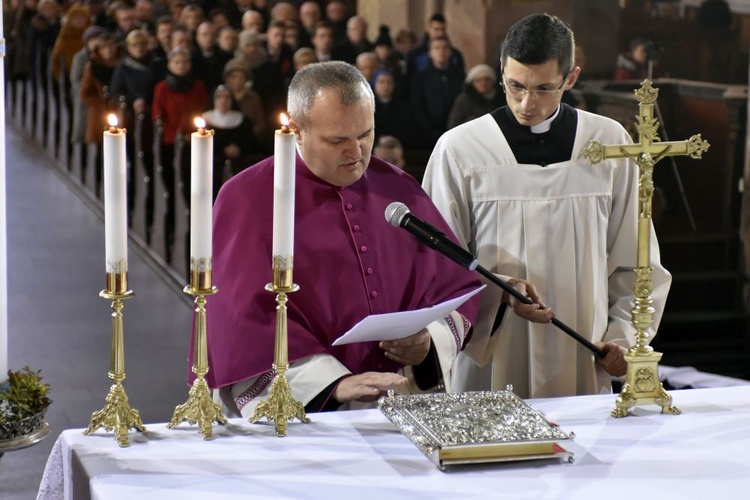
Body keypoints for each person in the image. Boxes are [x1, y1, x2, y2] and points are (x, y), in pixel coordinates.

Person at [201, 61, 481, 417]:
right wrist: (330, 384)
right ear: (296, 130)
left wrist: (427, 343)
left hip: (398, 408)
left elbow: (455, 287)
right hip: (305, 417)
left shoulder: (397, 188)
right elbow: (239, 320)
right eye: (337, 140)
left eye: (365, 134)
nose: (357, 152)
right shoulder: (246, 198)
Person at [421, 14, 672, 399]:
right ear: (502, 68)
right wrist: (499, 295)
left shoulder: (609, 145)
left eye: (543, 88)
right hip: (492, 355)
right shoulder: (460, 150)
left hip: (583, 354)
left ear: (570, 78)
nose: (526, 104)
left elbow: (637, 261)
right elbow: (435, 265)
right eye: (515, 85)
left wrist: (624, 339)